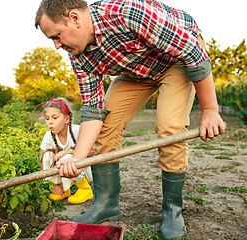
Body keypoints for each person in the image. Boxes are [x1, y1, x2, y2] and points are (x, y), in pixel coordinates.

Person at [35, 0, 226, 239]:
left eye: (56, 36)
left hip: (176, 59)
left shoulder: (127, 14)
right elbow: (94, 110)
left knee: (170, 128)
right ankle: (106, 204)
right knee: (105, 126)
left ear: (75, 18)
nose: (55, 45)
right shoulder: (78, 54)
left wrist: (210, 109)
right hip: (138, 69)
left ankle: (172, 210)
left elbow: (192, 52)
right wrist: (78, 158)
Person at [37, 96, 94, 204]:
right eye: (47, 118)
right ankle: (63, 188)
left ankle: (85, 189)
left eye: (55, 118)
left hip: (86, 169)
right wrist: (52, 184)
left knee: (66, 158)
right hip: (64, 169)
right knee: (46, 155)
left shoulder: (78, 130)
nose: (50, 122)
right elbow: (42, 160)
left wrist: (68, 151)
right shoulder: (48, 135)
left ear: (67, 119)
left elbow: (93, 152)